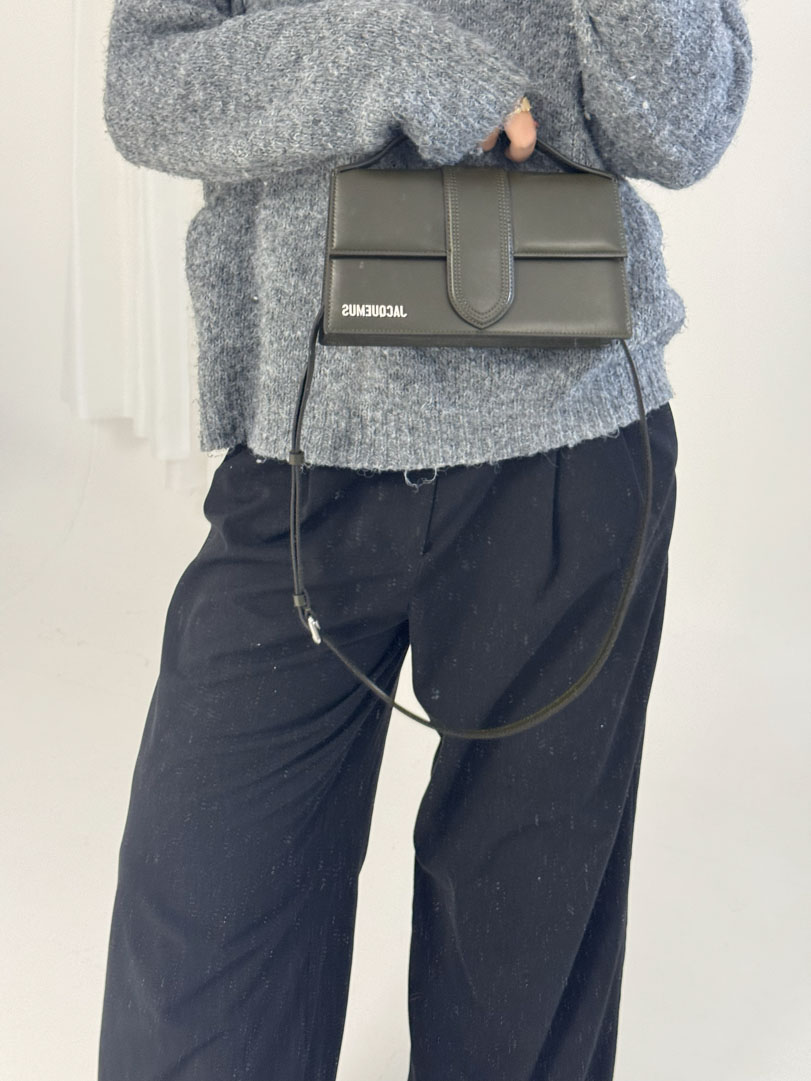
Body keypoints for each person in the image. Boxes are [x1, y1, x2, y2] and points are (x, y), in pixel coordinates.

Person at [97, 2, 752, 1079]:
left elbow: (685, 124)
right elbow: (147, 90)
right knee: (196, 966)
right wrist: (391, 57)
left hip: (567, 448)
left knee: (516, 994)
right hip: (300, 454)